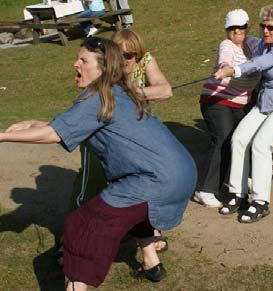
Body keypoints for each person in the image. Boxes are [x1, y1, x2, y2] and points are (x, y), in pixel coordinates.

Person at [0, 37, 196, 290]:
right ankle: (151, 263)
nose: (75, 64)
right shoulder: (118, 92)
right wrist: (35, 124)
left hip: (154, 179)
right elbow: (72, 125)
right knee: (134, 211)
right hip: (182, 172)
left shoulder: (99, 98)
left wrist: (4, 136)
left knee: (84, 225)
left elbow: (55, 134)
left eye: (83, 60)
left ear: (103, 68)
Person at [62, 29, 173, 265]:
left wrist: (133, 93)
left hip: (132, 137)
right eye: (119, 55)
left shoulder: (146, 62)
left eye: (130, 55)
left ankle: (146, 236)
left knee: (139, 185)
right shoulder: (104, 69)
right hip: (102, 133)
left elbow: (165, 90)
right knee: (90, 183)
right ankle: (67, 241)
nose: (125, 60)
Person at [214, 5, 273, 223]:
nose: (266, 31)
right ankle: (238, 195)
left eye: (271, 27)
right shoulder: (261, 43)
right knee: (240, 139)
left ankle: (261, 202)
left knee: (261, 144)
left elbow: (261, 63)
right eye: (263, 26)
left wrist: (233, 70)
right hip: (264, 104)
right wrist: (224, 59)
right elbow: (239, 42)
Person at [195, 9, 261, 207]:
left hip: (239, 102)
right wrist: (224, 68)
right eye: (232, 28)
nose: (237, 32)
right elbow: (225, 58)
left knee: (242, 139)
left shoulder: (252, 45)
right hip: (216, 99)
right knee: (222, 139)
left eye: (241, 28)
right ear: (227, 30)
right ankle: (205, 190)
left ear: (247, 28)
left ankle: (241, 179)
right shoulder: (226, 45)